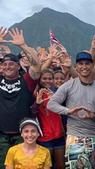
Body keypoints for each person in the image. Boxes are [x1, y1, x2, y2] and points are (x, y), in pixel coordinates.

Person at [47, 51, 95, 168]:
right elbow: (51, 104)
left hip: (94, 136)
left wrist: (94, 115)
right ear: (76, 67)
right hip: (74, 136)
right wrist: (68, 111)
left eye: (87, 63)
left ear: (92, 66)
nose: (84, 67)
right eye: (81, 64)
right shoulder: (69, 85)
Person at [0, 27, 41, 168]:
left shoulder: (27, 81)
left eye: (11, 63)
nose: (7, 66)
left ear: (18, 66)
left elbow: (37, 65)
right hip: (1, 137)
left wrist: (23, 46)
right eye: (4, 64)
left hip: (23, 136)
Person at [34, 69, 65, 169]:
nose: (47, 81)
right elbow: (32, 113)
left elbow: (64, 111)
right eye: (44, 78)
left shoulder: (58, 93)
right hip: (44, 137)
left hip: (59, 135)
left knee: (60, 165)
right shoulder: (35, 94)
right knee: (47, 166)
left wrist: (56, 99)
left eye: (50, 78)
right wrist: (37, 103)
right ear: (39, 80)